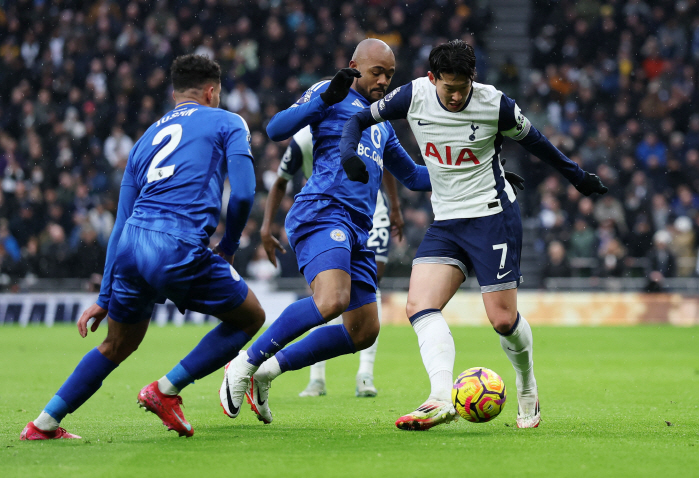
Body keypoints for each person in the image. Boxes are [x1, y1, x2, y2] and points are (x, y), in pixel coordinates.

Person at [340, 40, 607, 430]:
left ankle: (526, 382)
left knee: (502, 321)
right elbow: (357, 119)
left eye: (463, 88)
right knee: (420, 306)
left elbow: (539, 145)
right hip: (447, 221)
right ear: (433, 79)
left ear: (473, 80)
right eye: (448, 88)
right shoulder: (412, 95)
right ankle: (438, 398)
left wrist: (578, 178)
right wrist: (349, 153)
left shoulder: (495, 104)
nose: (456, 96)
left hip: (492, 217)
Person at [20, 54, 265, 440]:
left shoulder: (144, 140)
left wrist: (105, 294)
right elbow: (244, 194)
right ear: (211, 91)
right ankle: (165, 390)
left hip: (133, 245)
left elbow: (120, 223)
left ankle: (43, 424)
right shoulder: (228, 121)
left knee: (117, 344)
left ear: (174, 93)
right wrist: (229, 245)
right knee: (250, 317)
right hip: (176, 243)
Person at [220, 39, 432, 424]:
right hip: (322, 212)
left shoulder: (381, 120)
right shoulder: (328, 92)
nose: (384, 80)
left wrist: (474, 169)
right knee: (332, 299)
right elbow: (274, 128)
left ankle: (269, 371)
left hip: (358, 229)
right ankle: (245, 363)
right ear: (354, 66)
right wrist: (323, 99)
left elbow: (415, 177)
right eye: (377, 72)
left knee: (363, 330)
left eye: (390, 74)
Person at [261, 123, 405, 398]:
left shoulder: (370, 129)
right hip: (328, 216)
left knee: (370, 284)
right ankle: (316, 378)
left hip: (371, 214)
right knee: (324, 293)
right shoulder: (304, 137)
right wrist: (266, 227)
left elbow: (387, 164)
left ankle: (365, 373)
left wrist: (395, 207)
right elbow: (281, 179)